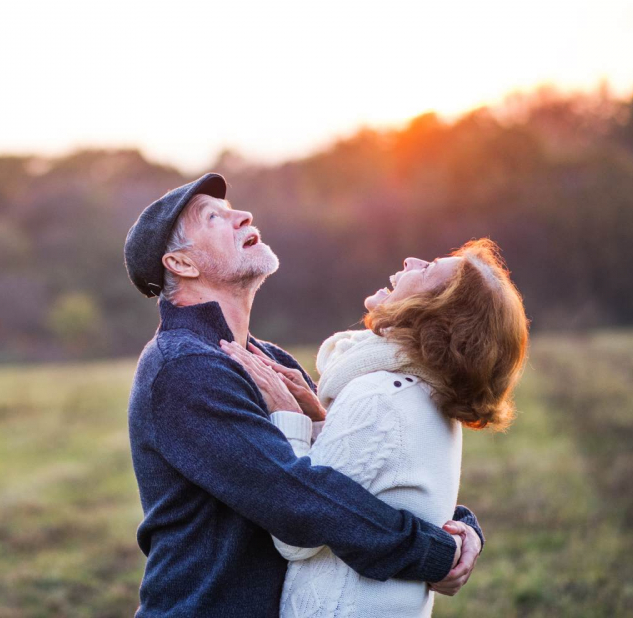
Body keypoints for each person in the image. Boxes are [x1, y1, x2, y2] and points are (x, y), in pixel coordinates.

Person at [124, 173, 483, 618]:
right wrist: (433, 550)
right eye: (213, 217)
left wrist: (459, 528)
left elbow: (357, 466)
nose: (243, 216)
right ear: (181, 264)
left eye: (233, 207)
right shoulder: (183, 367)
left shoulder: (268, 359)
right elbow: (298, 498)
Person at [221, 238, 528, 616]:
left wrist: (290, 419)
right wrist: (322, 421)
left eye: (428, 267)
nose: (410, 259)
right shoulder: (424, 395)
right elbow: (368, 488)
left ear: (437, 311)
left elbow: (295, 538)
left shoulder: (380, 396)